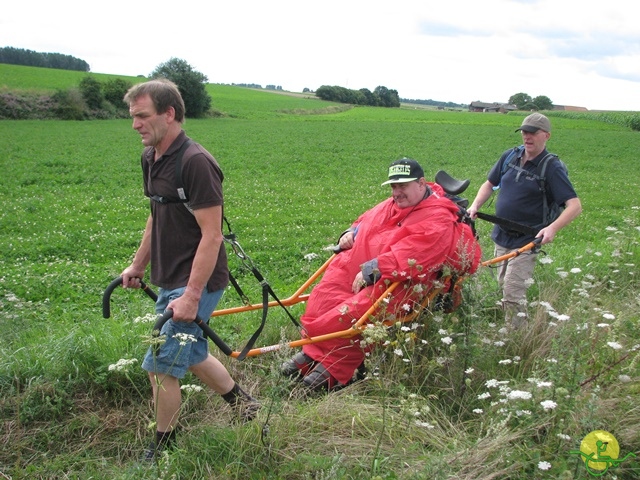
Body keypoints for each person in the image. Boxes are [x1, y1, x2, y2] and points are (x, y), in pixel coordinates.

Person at [120, 79, 259, 459]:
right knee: (192, 353)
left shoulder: (195, 162)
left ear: (170, 114)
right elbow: (156, 217)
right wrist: (137, 264)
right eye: (133, 117)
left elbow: (212, 237)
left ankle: (163, 446)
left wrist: (191, 295)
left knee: (161, 365)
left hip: (197, 280)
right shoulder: (151, 157)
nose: (135, 124)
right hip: (170, 276)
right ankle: (246, 406)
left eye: (143, 116)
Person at [282, 158, 482, 391]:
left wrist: (372, 270)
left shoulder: (438, 217)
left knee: (354, 314)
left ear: (420, 183)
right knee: (322, 298)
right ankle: (315, 352)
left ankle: (338, 367)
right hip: (364, 268)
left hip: (400, 281)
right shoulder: (392, 204)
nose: (397, 192)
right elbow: (365, 221)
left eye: (403, 186)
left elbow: (417, 252)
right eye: (393, 187)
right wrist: (350, 232)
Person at [467, 113, 582, 328]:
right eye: (524, 132)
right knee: (503, 285)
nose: (527, 137)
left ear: (546, 135)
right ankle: (513, 330)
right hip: (502, 235)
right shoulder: (510, 156)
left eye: (533, 133)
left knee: (512, 292)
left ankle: (517, 339)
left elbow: (574, 205)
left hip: (527, 239)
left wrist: (552, 228)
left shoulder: (552, 167)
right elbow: (489, 184)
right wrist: (475, 206)